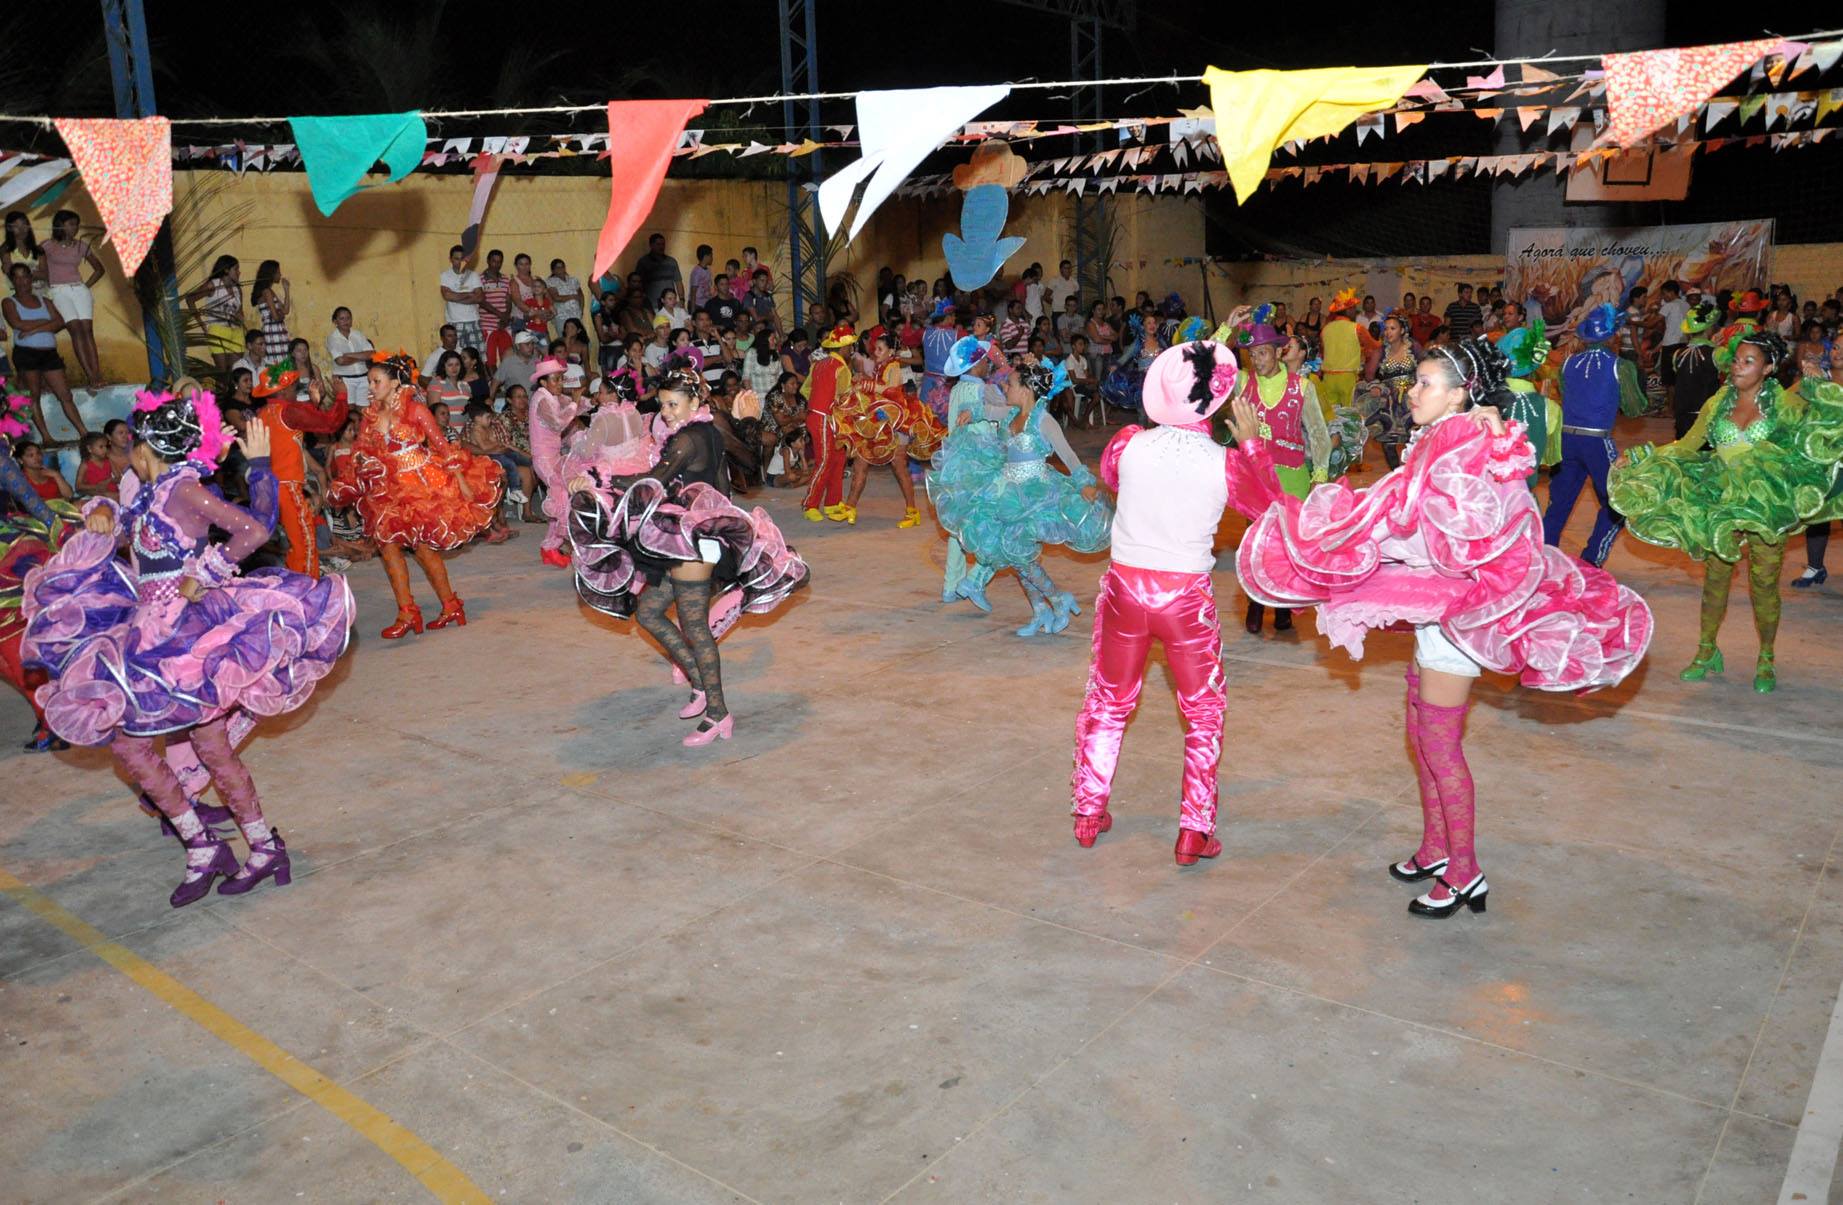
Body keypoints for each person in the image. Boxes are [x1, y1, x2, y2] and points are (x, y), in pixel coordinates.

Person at [1238, 339, 1653, 913]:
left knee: (1439, 745)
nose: (1412, 391)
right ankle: (1437, 848)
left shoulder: (1460, 443)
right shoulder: (1444, 437)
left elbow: (1445, 525)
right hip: (1436, 612)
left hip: (1457, 616)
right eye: (1415, 381)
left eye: (1426, 383)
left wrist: (1351, 523)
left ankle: (1465, 871)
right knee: (1421, 734)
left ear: (1459, 394)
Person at [22, 390, 354, 905]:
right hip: (146, 630)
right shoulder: (151, 493)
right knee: (139, 744)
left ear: (145, 448)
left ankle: (248, 847)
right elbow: (123, 522)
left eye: (130, 447)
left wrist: (207, 571)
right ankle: (213, 845)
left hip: (185, 635)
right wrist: (102, 511)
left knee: (192, 745)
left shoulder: (183, 489)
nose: (126, 454)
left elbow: (253, 528)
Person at [1071, 337, 1278, 863]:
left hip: (1125, 588)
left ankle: (1089, 812)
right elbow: (1275, 510)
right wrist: (1253, 446)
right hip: (1184, 597)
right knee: (1203, 714)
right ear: (1215, 400)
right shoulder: (1225, 462)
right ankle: (1194, 830)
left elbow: (1111, 477)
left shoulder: (1127, 443)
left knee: (1108, 703)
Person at [565, 360, 809, 746]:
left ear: (694, 402)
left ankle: (718, 714)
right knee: (648, 612)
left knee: (695, 628)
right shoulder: (711, 426)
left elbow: (650, 482)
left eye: (673, 404)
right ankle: (699, 683)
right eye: (662, 404)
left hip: (694, 540)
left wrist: (598, 477)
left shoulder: (687, 439)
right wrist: (746, 422)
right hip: (691, 536)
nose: (666, 412)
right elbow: (750, 464)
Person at [1610, 330, 1843, 693]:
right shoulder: (1719, 401)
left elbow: (1818, 435)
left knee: (1764, 584)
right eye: (1736, 360)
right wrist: (1644, 454)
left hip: (1766, 504)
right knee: (1715, 579)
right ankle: (1706, 650)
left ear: (1768, 368)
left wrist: (1817, 386)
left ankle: (1766, 657)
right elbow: (1687, 445)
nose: (1738, 367)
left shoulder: (1784, 405)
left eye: (1749, 362)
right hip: (1719, 499)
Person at [929, 356, 1109, 636]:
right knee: (1016, 556)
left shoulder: (1044, 421)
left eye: (1010, 383)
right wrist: (971, 412)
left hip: (1035, 497)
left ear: (1026, 389)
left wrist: (1084, 483)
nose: (1005, 387)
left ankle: (1057, 600)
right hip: (1006, 495)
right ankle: (1043, 610)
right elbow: (986, 409)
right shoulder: (1010, 414)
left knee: (1019, 556)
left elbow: (1069, 456)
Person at [325, 352, 502, 637]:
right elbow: (361, 450)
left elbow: (443, 447)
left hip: (418, 486)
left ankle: (450, 605)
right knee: (388, 548)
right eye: (369, 382)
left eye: (376, 381)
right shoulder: (370, 416)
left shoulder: (416, 410)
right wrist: (358, 468)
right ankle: (407, 612)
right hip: (386, 489)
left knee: (422, 549)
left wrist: (462, 484)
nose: (371, 387)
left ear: (395, 383)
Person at [1234, 319, 1330, 634]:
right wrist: (1226, 330)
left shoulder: (1302, 387)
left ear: (1278, 352)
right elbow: (1208, 365)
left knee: (1287, 547)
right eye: (1252, 354)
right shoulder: (1242, 382)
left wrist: (1318, 477)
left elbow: (1319, 435)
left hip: (1293, 478)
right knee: (1256, 544)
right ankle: (1255, 604)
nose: (1256, 360)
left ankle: (1284, 606)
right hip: (1256, 479)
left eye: (1262, 353)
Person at [0, 393, 78, 752]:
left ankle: (53, 717)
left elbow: (32, 502)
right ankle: (50, 708)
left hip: (6, 558)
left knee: (12, 648)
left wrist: (60, 531)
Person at [1543, 303, 1646, 567]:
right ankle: (1591, 560)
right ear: (1614, 335)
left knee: (1559, 502)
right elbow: (1634, 409)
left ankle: (1543, 556)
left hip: (1567, 439)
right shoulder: (1620, 366)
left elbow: (1568, 395)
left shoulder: (1568, 363)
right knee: (1617, 503)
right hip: (1596, 441)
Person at [832, 328, 944, 528]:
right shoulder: (880, 366)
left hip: (896, 424)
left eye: (880, 349)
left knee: (899, 468)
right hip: (878, 422)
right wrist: (863, 382)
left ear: (891, 351)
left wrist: (867, 386)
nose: (875, 352)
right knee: (860, 462)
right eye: (875, 349)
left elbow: (891, 390)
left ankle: (912, 511)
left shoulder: (893, 366)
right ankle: (850, 507)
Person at [252, 360, 348, 578]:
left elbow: (300, 422)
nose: (296, 390)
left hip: (268, 484)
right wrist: (341, 396)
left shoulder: (265, 412)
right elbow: (329, 424)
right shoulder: (287, 411)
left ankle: (298, 583)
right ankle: (306, 587)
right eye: (293, 386)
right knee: (304, 541)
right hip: (287, 485)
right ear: (283, 390)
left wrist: (314, 403)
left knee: (296, 541)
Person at [4, 264, 88, 445]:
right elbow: (18, 324)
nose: (21, 281)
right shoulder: (9, 302)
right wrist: (45, 322)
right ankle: (47, 437)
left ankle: (84, 433)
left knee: (65, 394)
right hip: (26, 354)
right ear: (12, 280)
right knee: (33, 396)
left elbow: (60, 322)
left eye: (25, 276)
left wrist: (34, 329)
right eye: (17, 277)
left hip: (49, 353)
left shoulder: (45, 301)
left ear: (30, 278)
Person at [1792, 336, 1843, 589]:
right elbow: (1790, 405)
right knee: (1817, 512)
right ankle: (1815, 567)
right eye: (1836, 347)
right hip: (1821, 460)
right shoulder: (1817, 377)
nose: (1839, 353)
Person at [528, 356, 584, 568]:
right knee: (561, 498)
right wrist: (576, 402)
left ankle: (550, 547)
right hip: (544, 459)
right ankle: (551, 546)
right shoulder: (541, 399)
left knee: (560, 498)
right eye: (556, 379)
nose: (560, 383)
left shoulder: (551, 396)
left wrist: (593, 400)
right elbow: (559, 423)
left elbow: (574, 406)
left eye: (561, 379)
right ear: (543, 382)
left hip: (553, 456)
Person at [39, 211, 106, 387]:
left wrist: (85, 286)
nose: (74, 228)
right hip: (58, 290)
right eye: (70, 224)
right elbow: (39, 267)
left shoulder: (81, 246)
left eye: (76, 224)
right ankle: (90, 375)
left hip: (79, 289)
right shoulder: (47, 246)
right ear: (60, 225)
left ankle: (98, 373)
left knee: (87, 330)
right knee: (75, 329)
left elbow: (99, 269)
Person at [800, 323, 856, 521]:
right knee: (825, 461)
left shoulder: (818, 364)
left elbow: (805, 389)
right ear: (843, 348)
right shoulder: (842, 368)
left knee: (838, 458)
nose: (851, 350)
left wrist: (817, 402)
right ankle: (810, 504)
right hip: (826, 418)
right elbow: (844, 398)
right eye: (850, 346)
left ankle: (833, 502)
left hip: (819, 416)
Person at [1493, 318, 1556, 488]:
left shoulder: (1486, 402)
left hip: (1490, 496)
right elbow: (1546, 456)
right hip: (1525, 496)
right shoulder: (1550, 408)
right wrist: (1542, 401)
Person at [1357, 311, 1418, 468]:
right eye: (1386, 328)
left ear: (1402, 330)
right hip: (1390, 401)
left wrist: (1417, 386)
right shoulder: (1381, 351)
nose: (1388, 332)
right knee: (1389, 441)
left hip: (1412, 399)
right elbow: (1369, 375)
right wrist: (1376, 387)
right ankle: (1396, 473)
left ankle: (1413, 473)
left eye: (1393, 328)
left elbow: (1427, 368)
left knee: (1415, 438)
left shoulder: (1413, 348)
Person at [1671, 300, 1723, 440]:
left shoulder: (1677, 354)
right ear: (1709, 329)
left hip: (1682, 417)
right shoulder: (1717, 353)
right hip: (1706, 417)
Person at [186, 255, 244, 375]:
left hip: (236, 331)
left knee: (236, 372)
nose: (239, 272)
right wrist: (202, 325)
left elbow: (239, 311)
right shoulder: (213, 285)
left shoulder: (237, 289)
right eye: (236, 269)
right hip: (218, 331)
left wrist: (241, 318)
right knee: (222, 372)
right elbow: (190, 299)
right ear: (226, 270)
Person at [1318, 287, 1362, 423]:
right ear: (1348, 310)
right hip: (1347, 377)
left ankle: (1333, 436)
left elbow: (1322, 352)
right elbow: (1373, 346)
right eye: (1353, 308)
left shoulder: (1325, 329)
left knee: (1331, 416)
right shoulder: (1356, 328)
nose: (1355, 311)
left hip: (1328, 377)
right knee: (1350, 414)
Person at [325, 306, 375, 408]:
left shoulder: (358, 335)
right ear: (335, 321)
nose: (346, 321)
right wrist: (361, 356)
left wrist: (348, 355)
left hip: (364, 378)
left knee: (364, 411)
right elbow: (340, 361)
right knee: (348, 411)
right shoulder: (332, 338)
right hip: (345, 380)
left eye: (348, 318)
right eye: (342, 318)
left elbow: (372, 354)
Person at [439, 245, 485, 350]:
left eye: (462, 259)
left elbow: (480, 298)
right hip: (455, 322)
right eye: (456, 259)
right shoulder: (445, 276)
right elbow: (447, 295)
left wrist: (455, 296)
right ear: (450, 259)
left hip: (473, 321)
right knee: (457, 354)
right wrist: (469, 294)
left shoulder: (473, 275)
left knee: (478, 354)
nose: (460, 262)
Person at [250, 260, 291, 365]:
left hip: (277, 330)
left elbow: (285, 310)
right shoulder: (267, 292)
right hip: (273, 331)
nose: (280, 275)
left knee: (282, 361)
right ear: (271, 274)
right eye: (278, 272)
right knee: (278, 363)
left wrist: (286, 290)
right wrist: (280, 315)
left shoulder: (269, 291)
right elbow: (276, 317)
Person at [510, 253, 555, 337]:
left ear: (530, 265)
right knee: (524, 345)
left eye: (526, 264)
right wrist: (538, 312)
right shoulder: (514, 282)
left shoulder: (536, 279)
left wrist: (550, 313)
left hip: (539, 320)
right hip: (521, 320)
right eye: (521, 264)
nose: (524, 267)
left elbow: (548, 298)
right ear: (516, 266)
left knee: (543, 344)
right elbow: (518, 302)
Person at [634, 233, 683, 309]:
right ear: (651, 245)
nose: (661, 247)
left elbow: (678, 281)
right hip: (652, 306)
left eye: (663, 244)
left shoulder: (672, 261)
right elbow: (638, 283)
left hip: (671, 304)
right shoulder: (643, 262)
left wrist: (682, 300)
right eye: (658, 244)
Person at [495, 329, 541, 398]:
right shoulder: (508, 361)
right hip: (518, 402)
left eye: (532, 343)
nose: (531, 347)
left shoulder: (536, 359)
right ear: (518, 346)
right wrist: (490, 399)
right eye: (527, 344)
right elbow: (495, 382)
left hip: (536, 401)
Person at [546, 258, 584, 330]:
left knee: (580, 335)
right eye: (557, 267)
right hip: (562, 315)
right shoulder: (550, 281)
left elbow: (581, 296)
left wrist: (581, 310)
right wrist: (573, 296)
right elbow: (557, 298)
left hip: (576, 314)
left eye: (562, 266)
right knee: (564, 335)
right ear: (553, 270)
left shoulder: (573, 280)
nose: (560, 269)